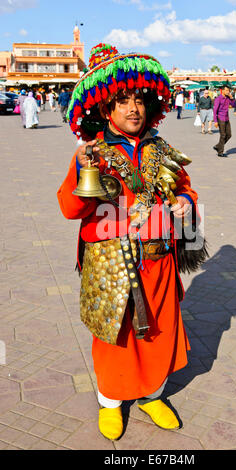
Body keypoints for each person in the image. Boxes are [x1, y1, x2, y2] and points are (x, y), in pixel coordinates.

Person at [57, 42, 204, 441]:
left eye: (139, 99)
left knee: (158, 331)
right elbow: (70, 209)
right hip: (111, 262)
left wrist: (184, 204)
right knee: (115, 337)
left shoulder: (163, 149)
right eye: (123, 101)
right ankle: (110, 400)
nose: (133, 108)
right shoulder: (93, 152)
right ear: (107, 109)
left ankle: (152, 394)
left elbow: (187, 190)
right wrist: (82, 174)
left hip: (159, 261)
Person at [213, 85, 236, 158]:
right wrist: (215, 121)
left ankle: (218, 146)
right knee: (223, 135)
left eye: (228, 90)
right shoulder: (218, 99)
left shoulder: (228, 98)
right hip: (220, 118)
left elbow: (234, 105)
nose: (228, 92)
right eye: (226, 90)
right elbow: (215, 111)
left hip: (226, 118)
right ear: (222, 90)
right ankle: (220, 152)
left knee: (229, 135)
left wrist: (232, 98)